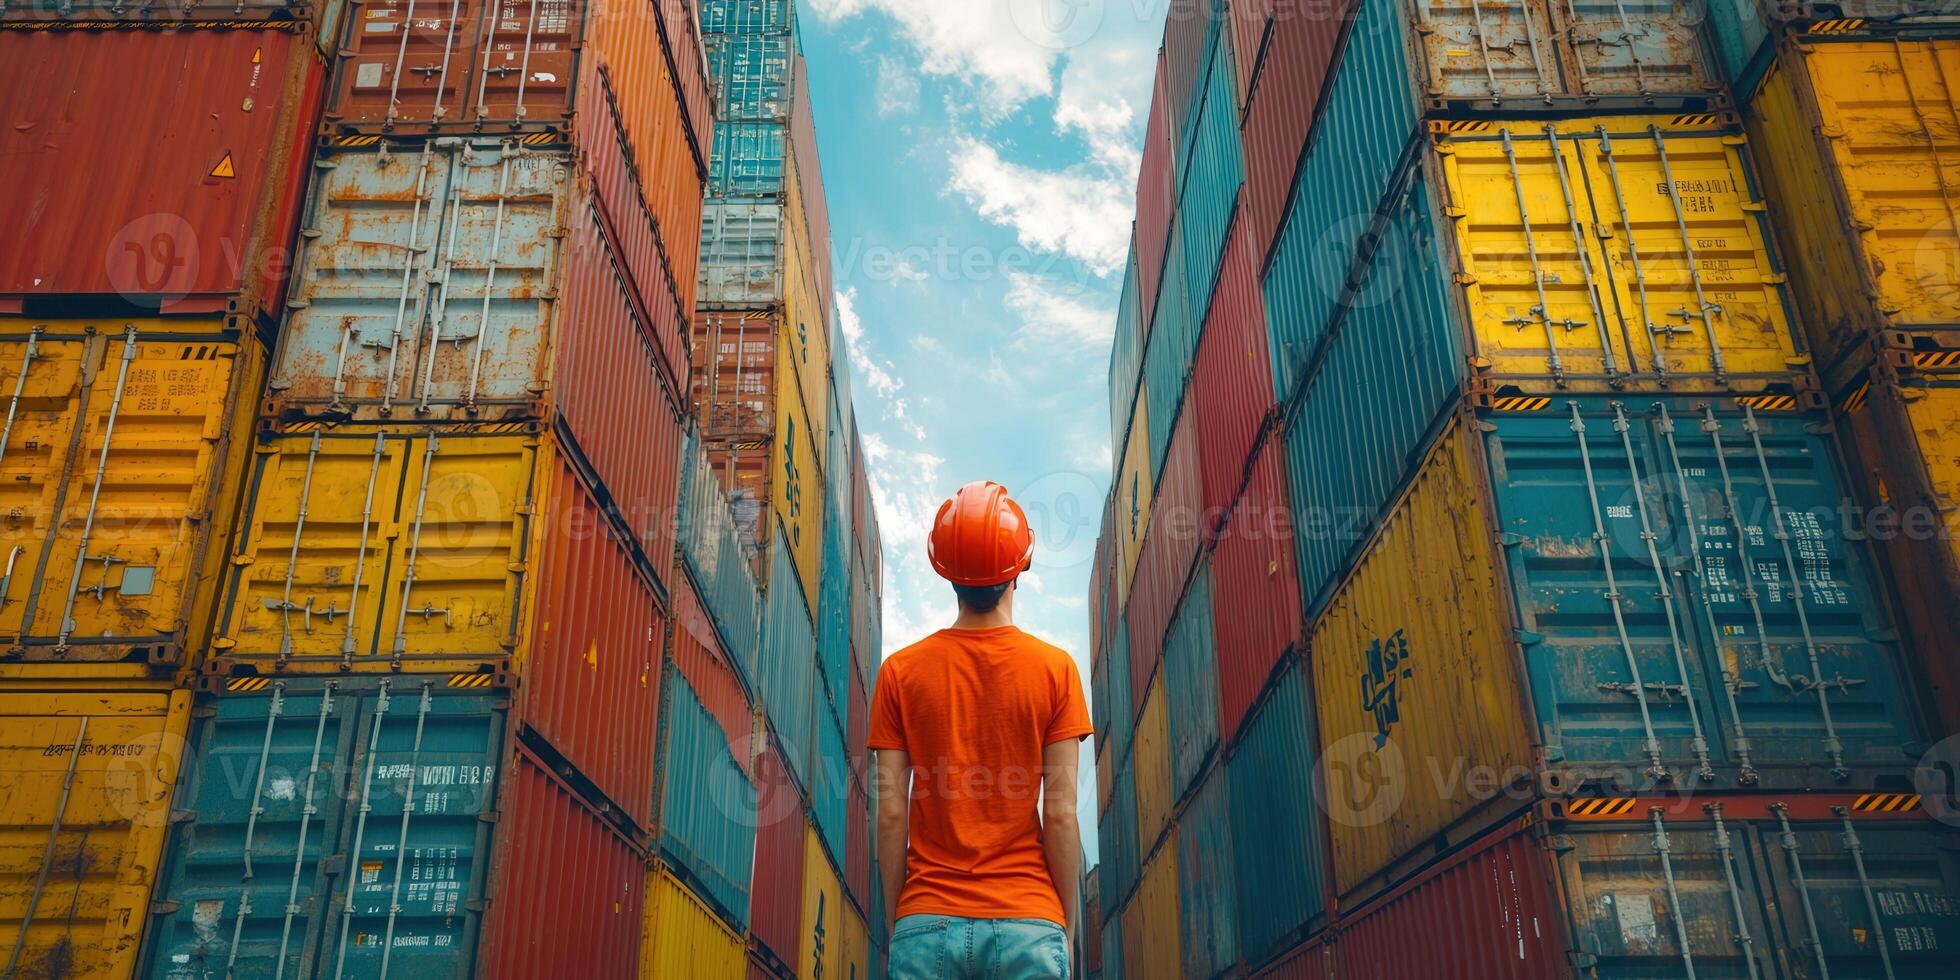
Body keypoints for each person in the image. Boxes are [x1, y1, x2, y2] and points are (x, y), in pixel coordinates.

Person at [868, 481, 1094, 979]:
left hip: (925, 921)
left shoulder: (899, 674)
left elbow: (889, 815)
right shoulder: (1056, 671)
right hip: (1029, 922)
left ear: (944, 572)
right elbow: (1059, 815)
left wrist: (901, 922)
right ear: (1021, 567)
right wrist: (1066, 930)